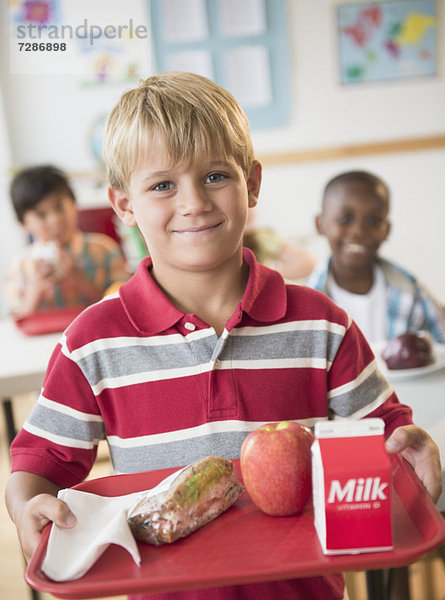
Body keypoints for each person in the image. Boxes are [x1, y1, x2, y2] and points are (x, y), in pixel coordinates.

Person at [5, 73, 442, 600]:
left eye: (215, 176)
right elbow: (37, 466)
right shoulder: (92, 344)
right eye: (163, 185)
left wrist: (411, 445)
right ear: (124, 205)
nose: (194, 202)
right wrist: (29, 505)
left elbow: (387, 437)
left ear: (252, 183)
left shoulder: (322, 324)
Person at [306, 170, 445, 343]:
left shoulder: (412, 291)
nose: (358, 231)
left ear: (386, 230)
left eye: (373, 221)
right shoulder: (307, 303)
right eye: (345, 219)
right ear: (320, 224)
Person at [3, 165, 130, 317]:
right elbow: (16, 319)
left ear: (74, 204)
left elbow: (124, 307)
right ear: (24, 223)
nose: (55, 220)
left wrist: (79, 280)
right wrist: (35, 289)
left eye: (59, 207)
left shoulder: (104, 250)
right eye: (41, 215)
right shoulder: (19, 267)